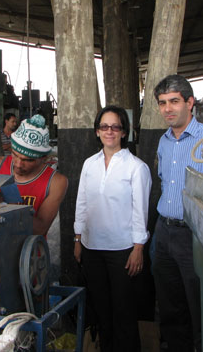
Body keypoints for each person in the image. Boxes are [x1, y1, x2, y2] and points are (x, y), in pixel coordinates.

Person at [73, 105, 152, 352]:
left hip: (122, 250)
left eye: (115, 127)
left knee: (124, 311)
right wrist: (78, 239)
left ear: (124, 132)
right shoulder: (89, 164)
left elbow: (140, 212)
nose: (109, 131)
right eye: (104, 126)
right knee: (101, 310)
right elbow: (81, 203)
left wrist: (138, 248)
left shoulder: (136, 167)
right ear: (97, 131)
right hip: (91, 248)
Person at [152, 74, 203, 352]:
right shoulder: (164, 141)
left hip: (194, 235)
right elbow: (164, 181)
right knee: (169, 304)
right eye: (162, 103)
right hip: (164, 231)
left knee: (198, 303)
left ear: (190, 103)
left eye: (174, 101)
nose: (168, 109)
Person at [0, 114, 68, 236]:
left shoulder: (56, 182)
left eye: (28, 160)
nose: (19, 164)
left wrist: (7, 204)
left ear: (44, 159)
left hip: (26, 246)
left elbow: (40, 229)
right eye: (14, 155)